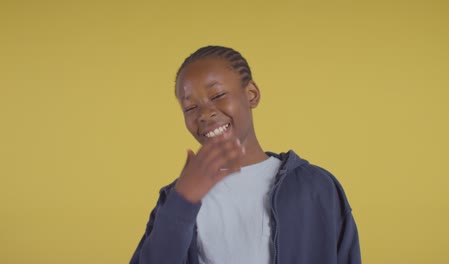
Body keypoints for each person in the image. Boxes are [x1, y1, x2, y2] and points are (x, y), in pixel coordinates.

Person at [129, 46, 361, 264]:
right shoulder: (175, 198)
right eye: (190, 108)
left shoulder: (317, 186)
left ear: (251, 94)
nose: (205, 114)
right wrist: (183, 203)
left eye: (218, 95)